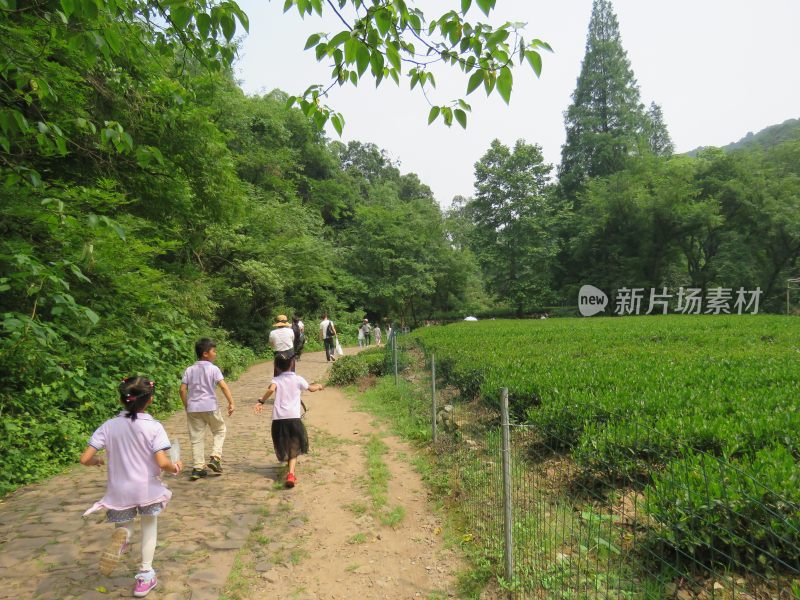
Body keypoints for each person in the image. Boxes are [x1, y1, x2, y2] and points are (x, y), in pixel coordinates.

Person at [80, 376, 182, 598]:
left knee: (125, 525)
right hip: (146, 489)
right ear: (150, 400)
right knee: (149, 527)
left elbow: (85, 458)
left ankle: (123, 537)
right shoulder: (153, 427)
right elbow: (162, 463)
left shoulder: (108, 426)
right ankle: (145, 575)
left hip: (119, 490)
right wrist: (175, 467)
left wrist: (96, 461)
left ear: (122, 399)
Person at [253, 355, 324, 488]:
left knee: (284, 442)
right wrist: (319, 386)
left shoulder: (276, 379)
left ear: (277, 367)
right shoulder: (298, 379)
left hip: (279, 419)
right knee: (294, 444)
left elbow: (271, 389)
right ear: (292, 364)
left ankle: (289, 469)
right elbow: (311, 388)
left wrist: (261, 401)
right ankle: (291, 473)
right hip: (293, 418)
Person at [179, 338, 235, 481]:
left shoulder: (189, 370)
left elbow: (182, 390)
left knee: (196, 438)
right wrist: (231, 402)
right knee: (220, 430)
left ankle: (198, 468)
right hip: (210, 406)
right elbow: (223, 386)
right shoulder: (213, 369)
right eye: (213, 351)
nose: (215, 354)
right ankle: (215, 457)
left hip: (193, 408)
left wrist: (187, 405)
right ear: (205, 353)